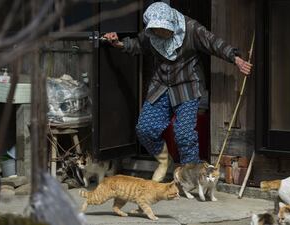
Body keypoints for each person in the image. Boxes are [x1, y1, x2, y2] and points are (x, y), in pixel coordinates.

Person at [104, 2, 252, 182]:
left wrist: (235, 59)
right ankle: (164, 160)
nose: (160, 33)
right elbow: (138, 44)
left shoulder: (190, 28)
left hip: (187, 85)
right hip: (161, 85)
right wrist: (118, 43)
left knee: (184, 133)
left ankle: (191, 176)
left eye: (163, 29)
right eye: (157, 30)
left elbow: (214, 43)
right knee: (145, 129)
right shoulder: (152, 33)